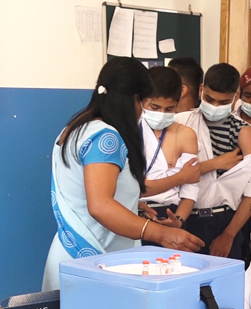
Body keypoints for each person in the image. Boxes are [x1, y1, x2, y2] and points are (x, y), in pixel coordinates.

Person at [42, 57, 203, 291]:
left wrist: (130, 202)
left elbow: (84, 189)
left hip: (70, 251)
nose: (142, 112)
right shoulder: (106, 137)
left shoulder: (74, 128)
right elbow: (100, 206)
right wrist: (160, 233)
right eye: (144, 103)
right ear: (134, 99)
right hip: (93, 258)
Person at [176, 62, 251, 258]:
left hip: (226, 220)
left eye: (223, 102)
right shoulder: (181, 122)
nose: (215, 107)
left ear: (235, 97)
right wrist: (215, 164)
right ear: (201, 90)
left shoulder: (243, 131)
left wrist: (229, 235)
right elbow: (172, 175)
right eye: (209, 99)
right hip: (185, 217)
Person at [138, 66, 200, 234]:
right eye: (154, 107)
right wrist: (180, 177)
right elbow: (130, 186)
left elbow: (190, 187)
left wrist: (179, 220)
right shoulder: (128, 131)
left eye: (169, 109)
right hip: (132, 211)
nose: (161, 114)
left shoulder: (186, 135)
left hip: (169, 212)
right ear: (142, 100)